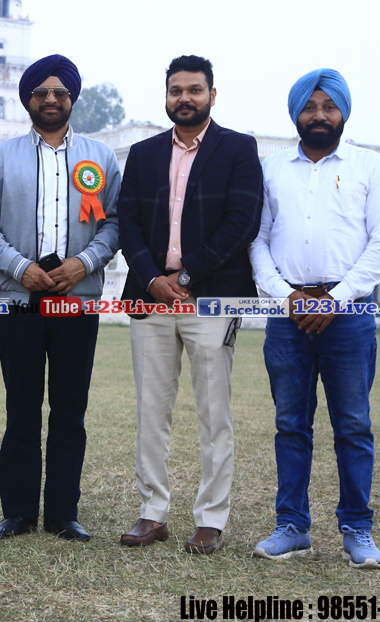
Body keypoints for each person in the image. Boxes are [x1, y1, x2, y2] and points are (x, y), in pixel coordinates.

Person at [248, 68, 380, 569]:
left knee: (353, 425)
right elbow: (257, 240)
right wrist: (285, 296)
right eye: (310, 107)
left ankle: (358, 530)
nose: (319, 115)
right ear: (296, 114)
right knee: (290, 424)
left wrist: (336, 299)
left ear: (343, 112)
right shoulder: (271, 169)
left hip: (348, 314)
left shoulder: (369, 166)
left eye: (329, 106)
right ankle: (292, 527)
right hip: (288, 314)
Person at [0, 54, 120, 542]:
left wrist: (84, 263)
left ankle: (62, 512)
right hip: (19, 301)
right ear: (28, 100)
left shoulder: (101, 157)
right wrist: (21, 268)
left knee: (70, 410)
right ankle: (17, 511)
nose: (51, 99)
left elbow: (115, 222)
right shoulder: (1, 157)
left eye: (59, 92)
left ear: (71, 98)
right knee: (21, 409)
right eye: (41, 92)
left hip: (77, 300)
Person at [116, 55, 263, 554]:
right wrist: (152, 278)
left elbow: (242, 222)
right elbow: (128, 222)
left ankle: (211, 519)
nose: (185, 98)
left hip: (212, 299)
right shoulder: (144, 153)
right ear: (166, 96)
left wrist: (184, 275)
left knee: (214, 412)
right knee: (151, 410)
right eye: (176, 90)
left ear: (212, 95)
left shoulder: (238, 149)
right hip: (151, 299)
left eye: (195, 90)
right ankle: (152, 513)